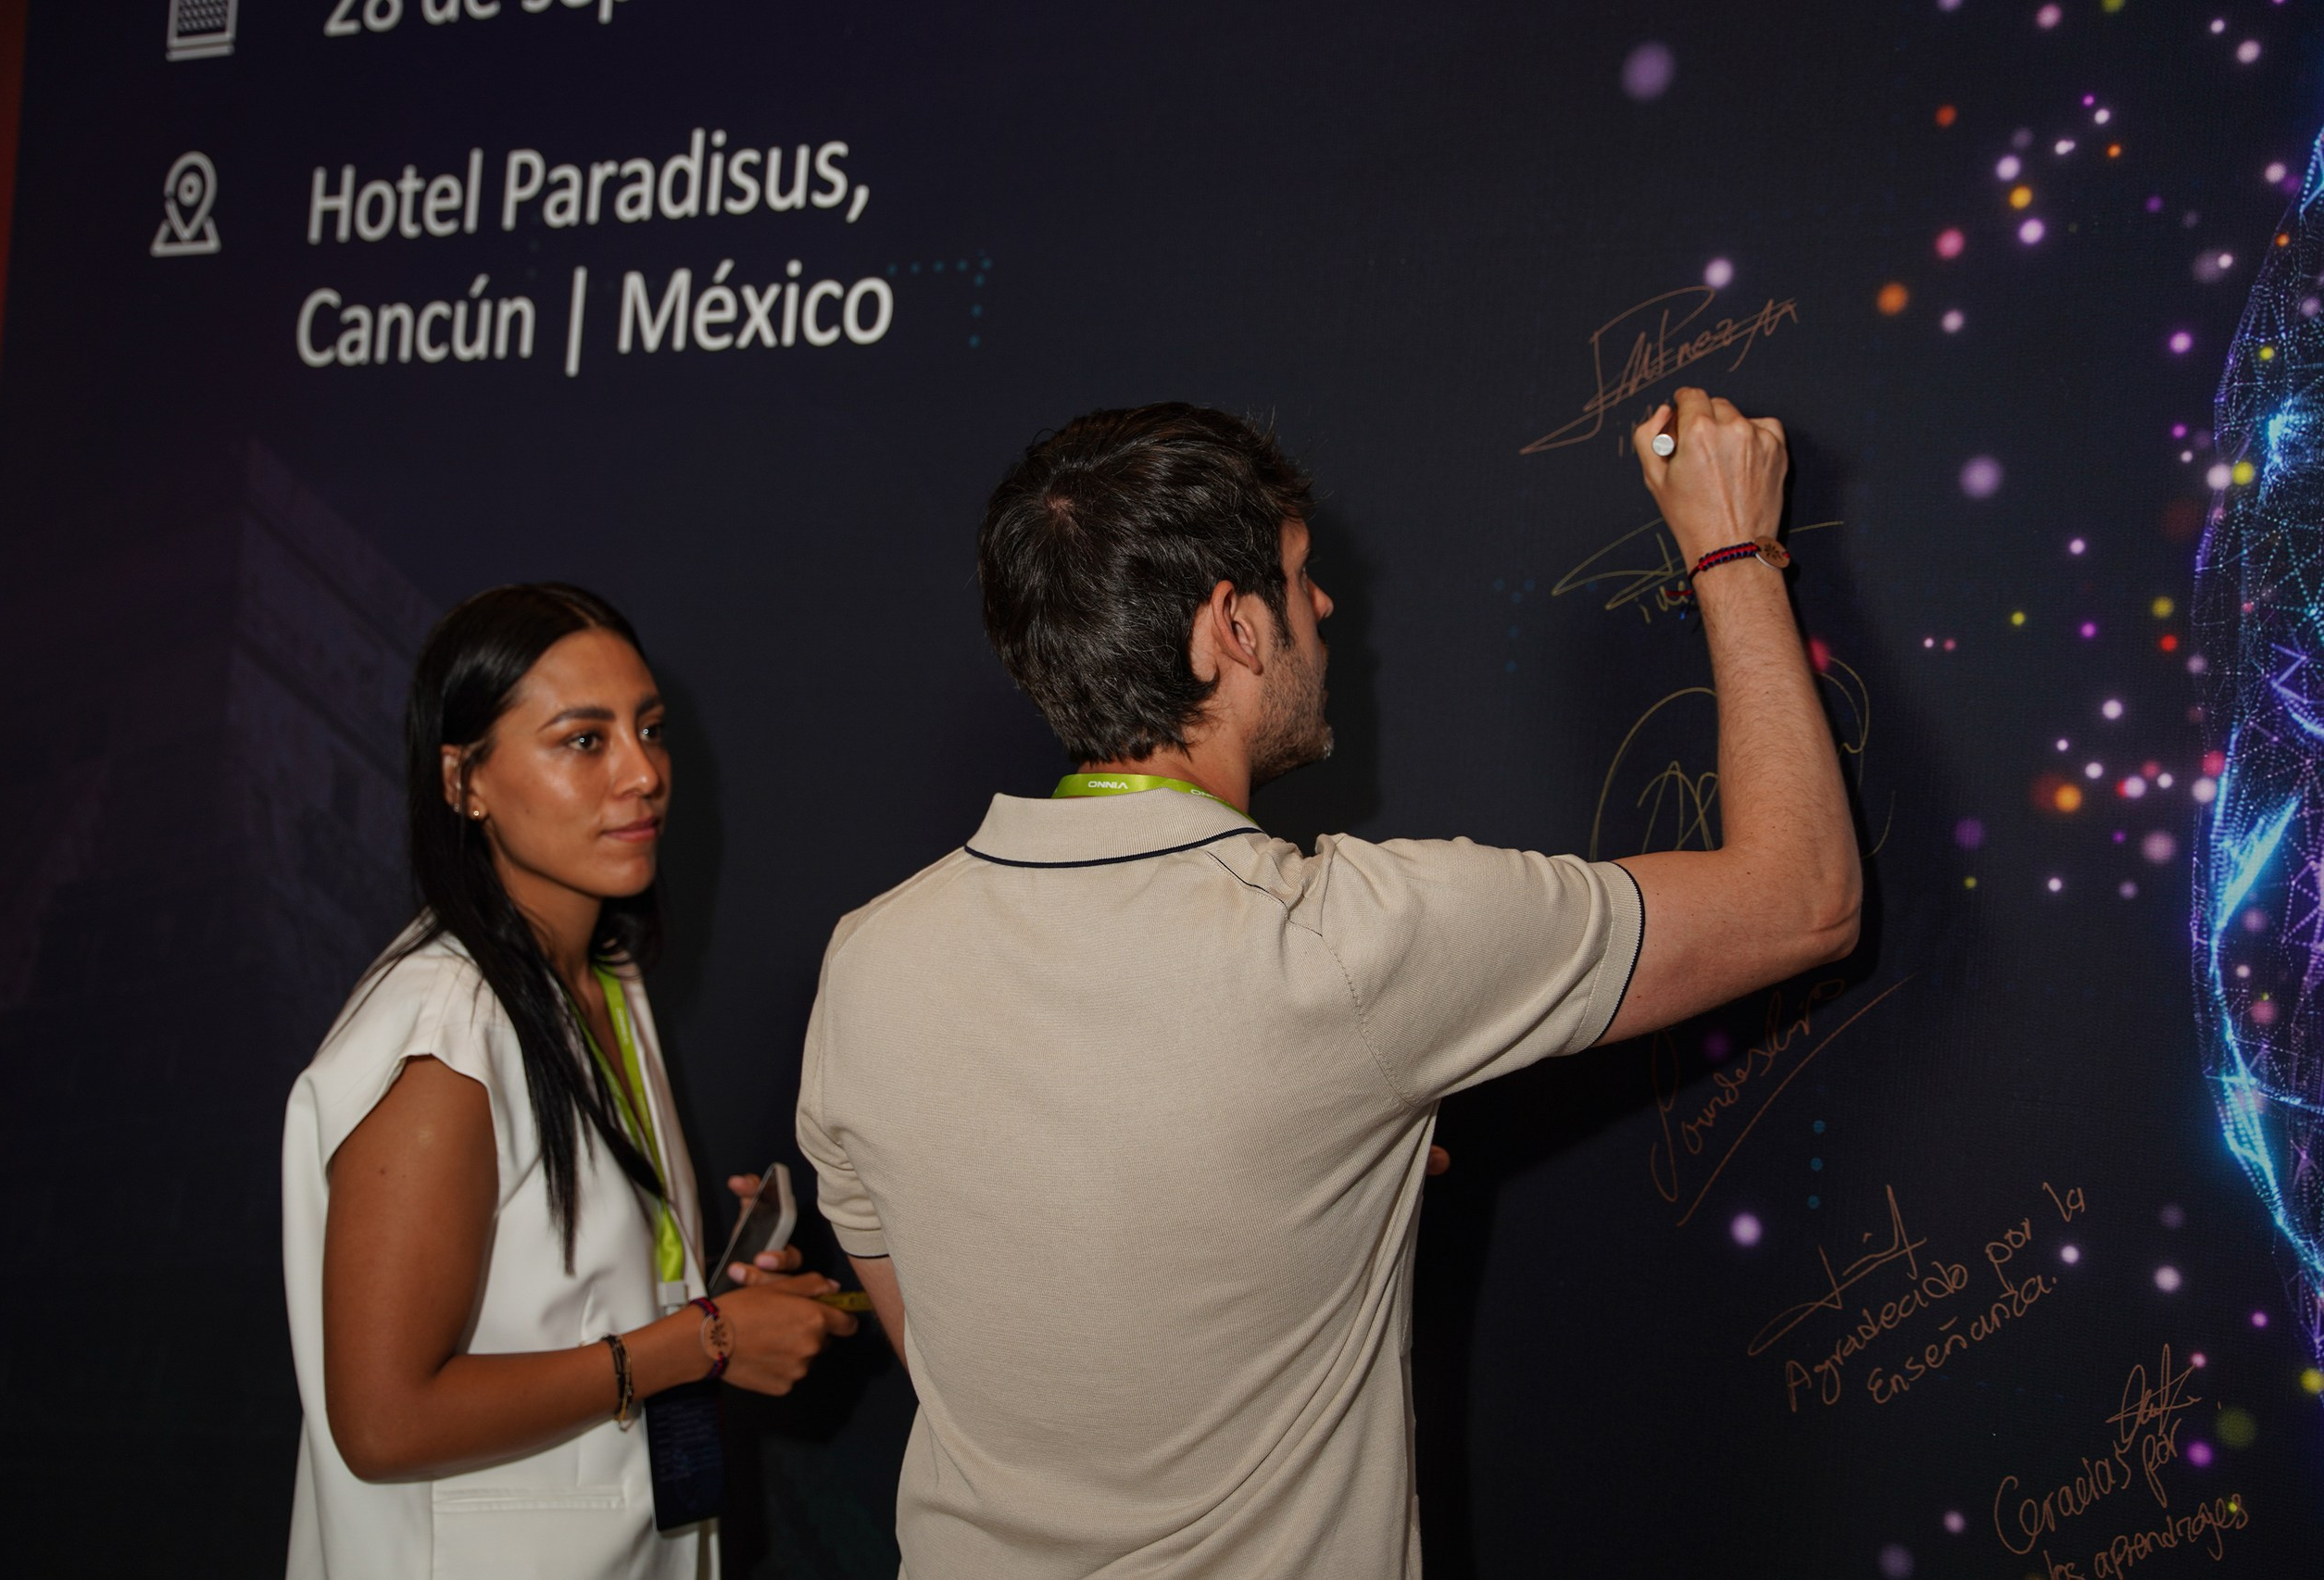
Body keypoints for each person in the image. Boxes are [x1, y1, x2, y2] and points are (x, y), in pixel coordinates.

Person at [795, 392, 1861, 1577]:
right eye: (1299, 578)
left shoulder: (869, 958)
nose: (1324, 607)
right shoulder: (1345, 943)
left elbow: (938, 1341)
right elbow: (1803, 896)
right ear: (1230, 629)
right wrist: (1730, 548)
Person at [282, 583, 857, 1579]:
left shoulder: (604, 979)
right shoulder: (446, 1025)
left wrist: (714, 1294)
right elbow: (381, 1419)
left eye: (650, 728)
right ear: (463, 780)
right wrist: (702, 1339)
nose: (643, 773)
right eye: (583, 741)